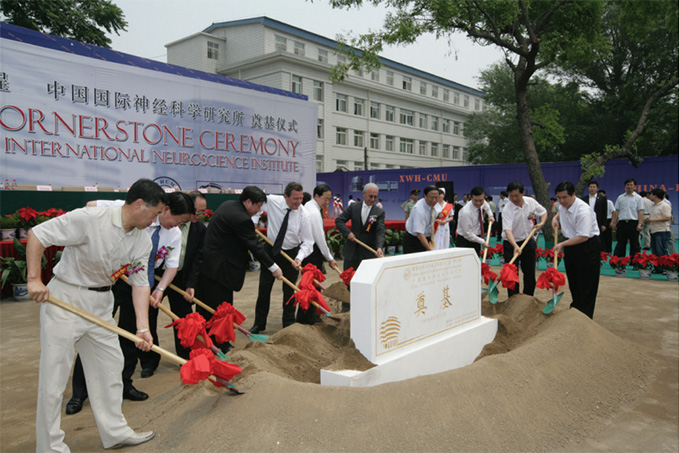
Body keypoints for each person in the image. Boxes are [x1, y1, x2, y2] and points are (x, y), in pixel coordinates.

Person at [26, 178, 165, 451]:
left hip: (102, 303)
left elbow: (139, 283)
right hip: (66, 298)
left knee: (110, 368)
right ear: (139, 204)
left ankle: (115, 432)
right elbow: (38, 234)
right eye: (155, 212)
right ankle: (50, 446)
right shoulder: (91, 218)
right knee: (54, 375)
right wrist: (33, 279)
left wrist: (142, 327)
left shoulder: (141, 240)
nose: (156, 218)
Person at [67, 192, 193, 414]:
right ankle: (79, 392)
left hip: (140, 284)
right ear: (165, 210)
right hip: (112, 280)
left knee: (132, 334)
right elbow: (91, 204)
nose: (178, 225)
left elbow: (171, 264)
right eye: (178, 220)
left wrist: (160, 289)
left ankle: (125, 383)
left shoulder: (172, 233)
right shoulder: (132, 211)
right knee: (93, 330)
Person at [198, 186, 283, 341]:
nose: (259, 211)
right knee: (221, 308)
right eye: (258, 206)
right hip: (220, 269)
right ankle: (220, 342)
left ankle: (214, 340)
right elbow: (254, 246)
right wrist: (274, 267)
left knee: (213, 307)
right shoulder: (242, 219)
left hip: (210, 266)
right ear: (248, 202)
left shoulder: (229, 205)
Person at [250, 182, 314, 333]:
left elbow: (308, 241)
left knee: (289, 292)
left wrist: (299, 258)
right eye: (295, 199)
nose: (298, 202)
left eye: (300, 198)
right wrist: (253, 221)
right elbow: (256, 206)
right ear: (285, 196)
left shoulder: (304, 214)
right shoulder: (273, 201)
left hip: (291, 255)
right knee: (264, 290)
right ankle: (259, 324)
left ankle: (288, 324)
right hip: (270, 252)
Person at [160, 190, 207, 360]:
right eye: (198, 211)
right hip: (158, 275)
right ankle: (149, 361)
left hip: (181, 277)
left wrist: (191, 284)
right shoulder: (166, 223)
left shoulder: (199, 229)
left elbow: (197, 259)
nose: (200, 215)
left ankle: (185, 356)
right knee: (150, 314)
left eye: (203, 212)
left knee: (185, 318)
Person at [552, 181, 601, 319]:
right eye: (559, 198)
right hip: (571, 246)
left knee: (586, 284)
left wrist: (561, 245)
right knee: (574, 281)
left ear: (573, 195)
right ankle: (576, 310)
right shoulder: (562, 206)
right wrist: (556, 219)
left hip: (586, 247)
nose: (561, 201)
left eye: (564, 197)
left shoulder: (583, 211)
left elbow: (583, 236)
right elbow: (559, 213)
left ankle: (584, 317)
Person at [335, 182, 386, 304]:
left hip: (368, 253)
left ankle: (363, 306)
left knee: (366, 282)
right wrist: (348, 233)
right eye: (370, 196)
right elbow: (339, 220)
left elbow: (380, 232)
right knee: (349, 281)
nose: (372, 199)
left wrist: (379, 247)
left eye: (375, 197)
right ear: (363, 194)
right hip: (352, 252)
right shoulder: (354, 208)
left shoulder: (378, 212)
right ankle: (346, 308)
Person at [298, 184, 339, 323]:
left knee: (310, 285)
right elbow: (319, 237)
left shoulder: (310, 206)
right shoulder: (314, 212)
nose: (327, 203)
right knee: (311, 285)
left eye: (329, 199)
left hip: (308, 250)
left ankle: (311, 315)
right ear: (316, 196)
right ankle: (307, 317)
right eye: (325, 199)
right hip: (311, 252)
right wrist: (330, 258)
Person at [501, 181, 547, 297]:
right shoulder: (507, 209)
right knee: (512, 273)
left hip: (528, 241)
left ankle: (528, 298)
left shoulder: (530, 202)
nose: (514, 198)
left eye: (517, 195)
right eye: (511, 196)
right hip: (511, 243)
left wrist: (541, 223)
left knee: (530, 272)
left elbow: (543, 212)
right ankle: (513, 299)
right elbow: (508, 230)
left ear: (523, 193)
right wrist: (515, 246)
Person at [455, 186, 495, 255]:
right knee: (466, 264)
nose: (478, 203)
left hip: (475, 238)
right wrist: (482, 241)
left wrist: (490, 215)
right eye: (475, 200)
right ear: (471, 198)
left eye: (481, 200)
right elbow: (467, 234)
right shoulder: (466, 212)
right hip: (465, 242)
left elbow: (486, 205)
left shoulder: (482, 202)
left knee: (475, 262)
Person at [611, 178, 644, 258]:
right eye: (627, 185)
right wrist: (614, 223)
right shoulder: (620, 197)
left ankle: (635, 262)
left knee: (635, 244)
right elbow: (617, 211)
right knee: (621, 243)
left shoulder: (638, 198)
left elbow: (640, 212)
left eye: (631, 185)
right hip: (622, 223)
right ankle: (619, 261)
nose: (629, 186)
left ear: (635, 186)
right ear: (625, 186)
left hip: (633, 223)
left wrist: (640, 224)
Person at [403, 185, 440, 254]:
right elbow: (419, 234)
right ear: (425, 196)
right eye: (431, 198)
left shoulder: (435, 204)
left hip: (426, 238)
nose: (434, 200)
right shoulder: (419, 210)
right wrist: (430, 251)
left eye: (436, 197)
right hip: (414, 241)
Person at [647, 188, 672, 269]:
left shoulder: (664, 205)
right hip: (654, 230)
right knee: (655, 251)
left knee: (661, 250)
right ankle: (658, 268)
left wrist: (653, 220)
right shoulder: (653, 206)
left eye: (651, 194)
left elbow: (668, 217)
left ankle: (666, 268)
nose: (650, 196)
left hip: (662, 231)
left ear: (655, 196)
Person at [598, 189, 614, 253]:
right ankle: (602, 251)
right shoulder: (597, 202)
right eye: (599, 195)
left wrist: (612, 222)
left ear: (605, 195)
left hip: (608, 220)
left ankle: (608, 250)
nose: (601, 196)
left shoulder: (609, 202)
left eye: (602, 195)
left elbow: (613, 212)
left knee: (608, 236)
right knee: (600, 237)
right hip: (599, 220)